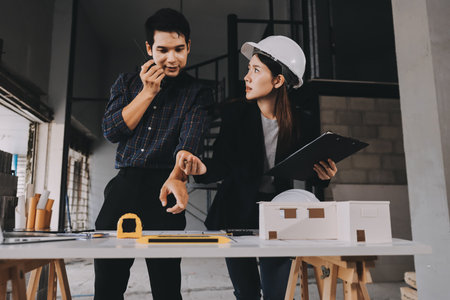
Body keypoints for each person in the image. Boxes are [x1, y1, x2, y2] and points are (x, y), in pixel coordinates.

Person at [177, 36, 338, 299]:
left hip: (278, 215)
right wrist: (201, 169)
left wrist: (323, 177)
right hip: (235, 212)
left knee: (277, 293)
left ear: (278, 80)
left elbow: (308, 170)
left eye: (255, 70)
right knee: (247, 293)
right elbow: (222, 163)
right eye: (248, 69)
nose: (246, 77)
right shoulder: (236, 115)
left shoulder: (300, 122)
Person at [94, 8, 212, 300]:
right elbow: (111, 131)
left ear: (189, 48)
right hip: (124, 187)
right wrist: (147, 92)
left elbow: (190, 139)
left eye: (179, 49)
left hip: (166, 189)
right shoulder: (126, 82)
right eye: (162, 50)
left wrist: (178, 176)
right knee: (108, 285)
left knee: (167, 287)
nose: (172, 58)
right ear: (149, 48)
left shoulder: (197, 92)